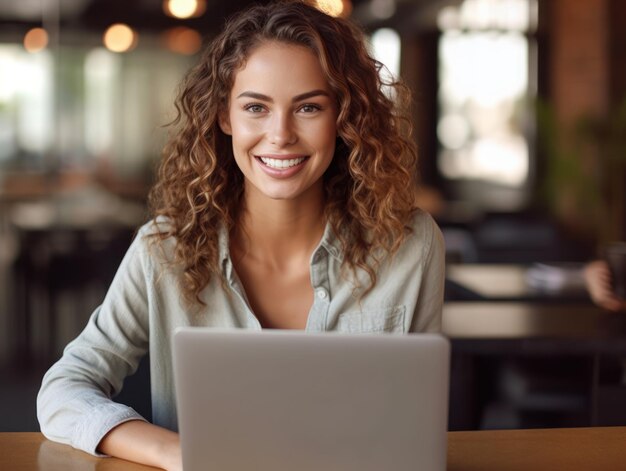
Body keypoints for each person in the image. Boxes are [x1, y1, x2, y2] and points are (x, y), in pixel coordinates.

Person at [37, 1, 445, 470]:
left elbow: (418, 423)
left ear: (344, 118)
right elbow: (65, 388)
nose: (281, 135)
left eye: (309, 107)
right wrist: (181, 454)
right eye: (256, 107)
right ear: (225, 117)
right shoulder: (165, 249)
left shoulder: (409, 244)